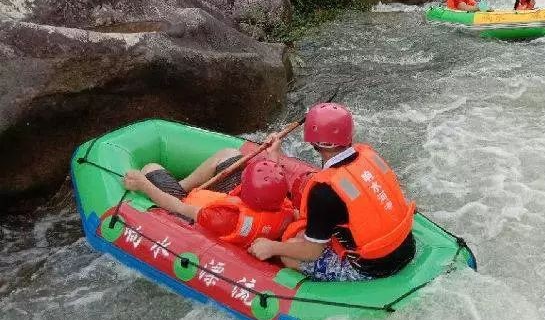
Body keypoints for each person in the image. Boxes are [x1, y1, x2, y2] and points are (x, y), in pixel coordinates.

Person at [248, 103, 416, 282]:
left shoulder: (323, 192)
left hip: (375, 268)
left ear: (315, 142)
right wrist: (275, 158)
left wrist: (272, 247)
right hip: (406, 246)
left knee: (289, 253)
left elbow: (312, 252)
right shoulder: (369, 156)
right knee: (304, 235)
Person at [122, 150, 294, 248]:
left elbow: (178, 207)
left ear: (245, 191)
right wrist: (273, 156)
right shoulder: (285, 208)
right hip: (229, 206)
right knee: (230, 154)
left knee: (150, 168)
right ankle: (181, 185)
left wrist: (144, 185)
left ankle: (176, 189)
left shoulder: (222, 217)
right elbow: (270, 184)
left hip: (189, 211)